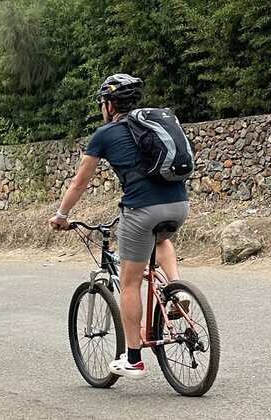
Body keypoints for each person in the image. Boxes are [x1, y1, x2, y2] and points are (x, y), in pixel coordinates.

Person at [49, 74, 189, 379]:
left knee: (129, 283)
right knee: (161, 238)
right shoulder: (154, 123)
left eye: (103, 102)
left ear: (109, 105)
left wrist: (61, 215)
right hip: (179, 205)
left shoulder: (105, 134)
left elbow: (80, 182)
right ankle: (177, 289)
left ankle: (134, 358)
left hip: (140, 210)